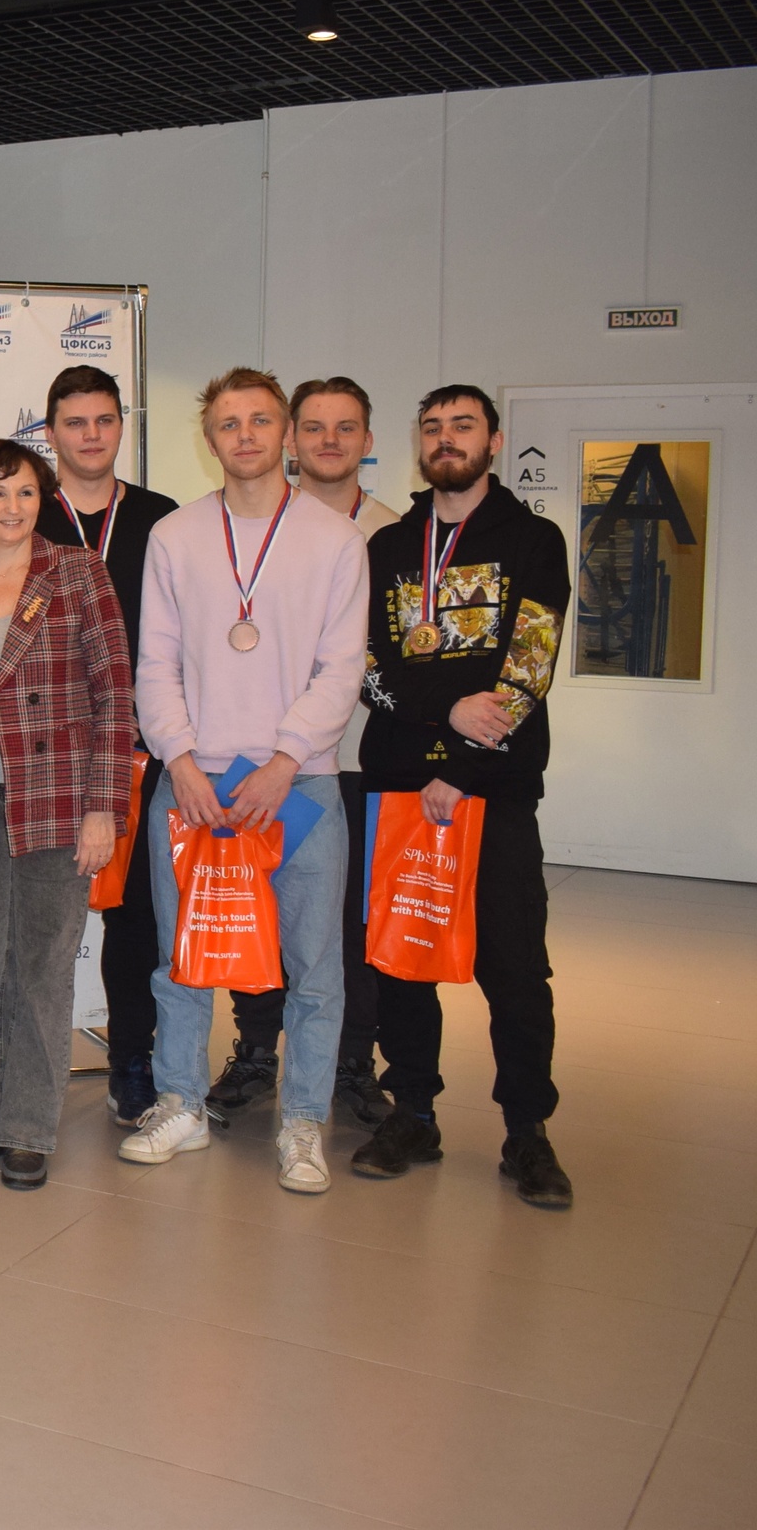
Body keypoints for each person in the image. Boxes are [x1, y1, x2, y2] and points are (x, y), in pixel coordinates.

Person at [121, 367, 367, 1196]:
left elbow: (341, 669)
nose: (247, 435)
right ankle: (181, 1103)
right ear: (210, 439)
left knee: (315, 968)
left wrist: (286, 758)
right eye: (229, 423)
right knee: (181, 961)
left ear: (287, 433)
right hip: (195, 782)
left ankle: (303, 1122)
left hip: (300, 787)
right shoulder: (176, 536)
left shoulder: (336, 540)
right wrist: (180, 758)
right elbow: (154, 662)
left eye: (262, 420)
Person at [352, 385, 574, 1207]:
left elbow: (530, 667)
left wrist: (464, 768)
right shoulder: (388, 545)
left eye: (463, 426)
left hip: (495, 791)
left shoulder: (534, 540)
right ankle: (412, 1111)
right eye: (434, 427)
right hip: (402, 786)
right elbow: (368, 664)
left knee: (514, 968)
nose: (447, 439)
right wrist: (445, 707)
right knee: (402, 961)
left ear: (494, 440)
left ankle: (527, 1129)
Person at [0, 440, 134, 1189]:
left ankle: (30, 1126)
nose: (13, 507)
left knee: (41, 967)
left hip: (56, 799)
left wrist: (103, 807)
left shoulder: (78, 572)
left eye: (27, 492)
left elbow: (115, 696)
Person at [212, 377, 402, 1126]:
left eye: (345, 428)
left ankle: (352, 1060)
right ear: (292, 438)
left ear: (367, 439)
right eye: (315, 427)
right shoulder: (244, 526)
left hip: (357, 761)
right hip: (264, 763)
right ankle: (257, 1049)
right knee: (254, 908)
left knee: (348, 925)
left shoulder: (392, 532)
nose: (329, 441)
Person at [34, 364, 180, 1126]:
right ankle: (30, 1065)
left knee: (137, 917)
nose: (91, 435)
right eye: (75, 422)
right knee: (43, 914)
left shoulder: (163, 519)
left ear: (122, 425)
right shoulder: (26, 513)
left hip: (140, 747)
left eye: (104, 420)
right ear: (49, 432)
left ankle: (132, 1059)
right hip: (46, 751)